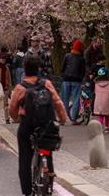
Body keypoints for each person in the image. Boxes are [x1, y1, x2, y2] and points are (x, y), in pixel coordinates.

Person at [9, 55, 67, 196]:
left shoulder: (20, 88)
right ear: (39, 69)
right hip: (46, 126)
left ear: (25, 70)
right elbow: (58, 102)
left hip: (27, 126)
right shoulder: (46, 84)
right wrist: (62, 119)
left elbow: (12, 110)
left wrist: (16, 117)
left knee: (24, 159)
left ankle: (27, 192)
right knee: (48, 151)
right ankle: (49, 182)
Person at [61, 39, 87, 123]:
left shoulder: (67, 56)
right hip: (77, 80)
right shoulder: (81, 59)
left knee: (64, 99)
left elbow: (62, 68)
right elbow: (83, 71)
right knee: (76, 99)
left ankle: (63, 117)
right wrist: (81, 79)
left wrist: (64, 75)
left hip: (66, 79)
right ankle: (73, 118)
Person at [92, 67, 109, 133]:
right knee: (106, 115)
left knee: (100, 115)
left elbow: (95, 91)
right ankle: (106, 128)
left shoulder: (96, 83)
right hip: (107, 101)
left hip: (98, 101)